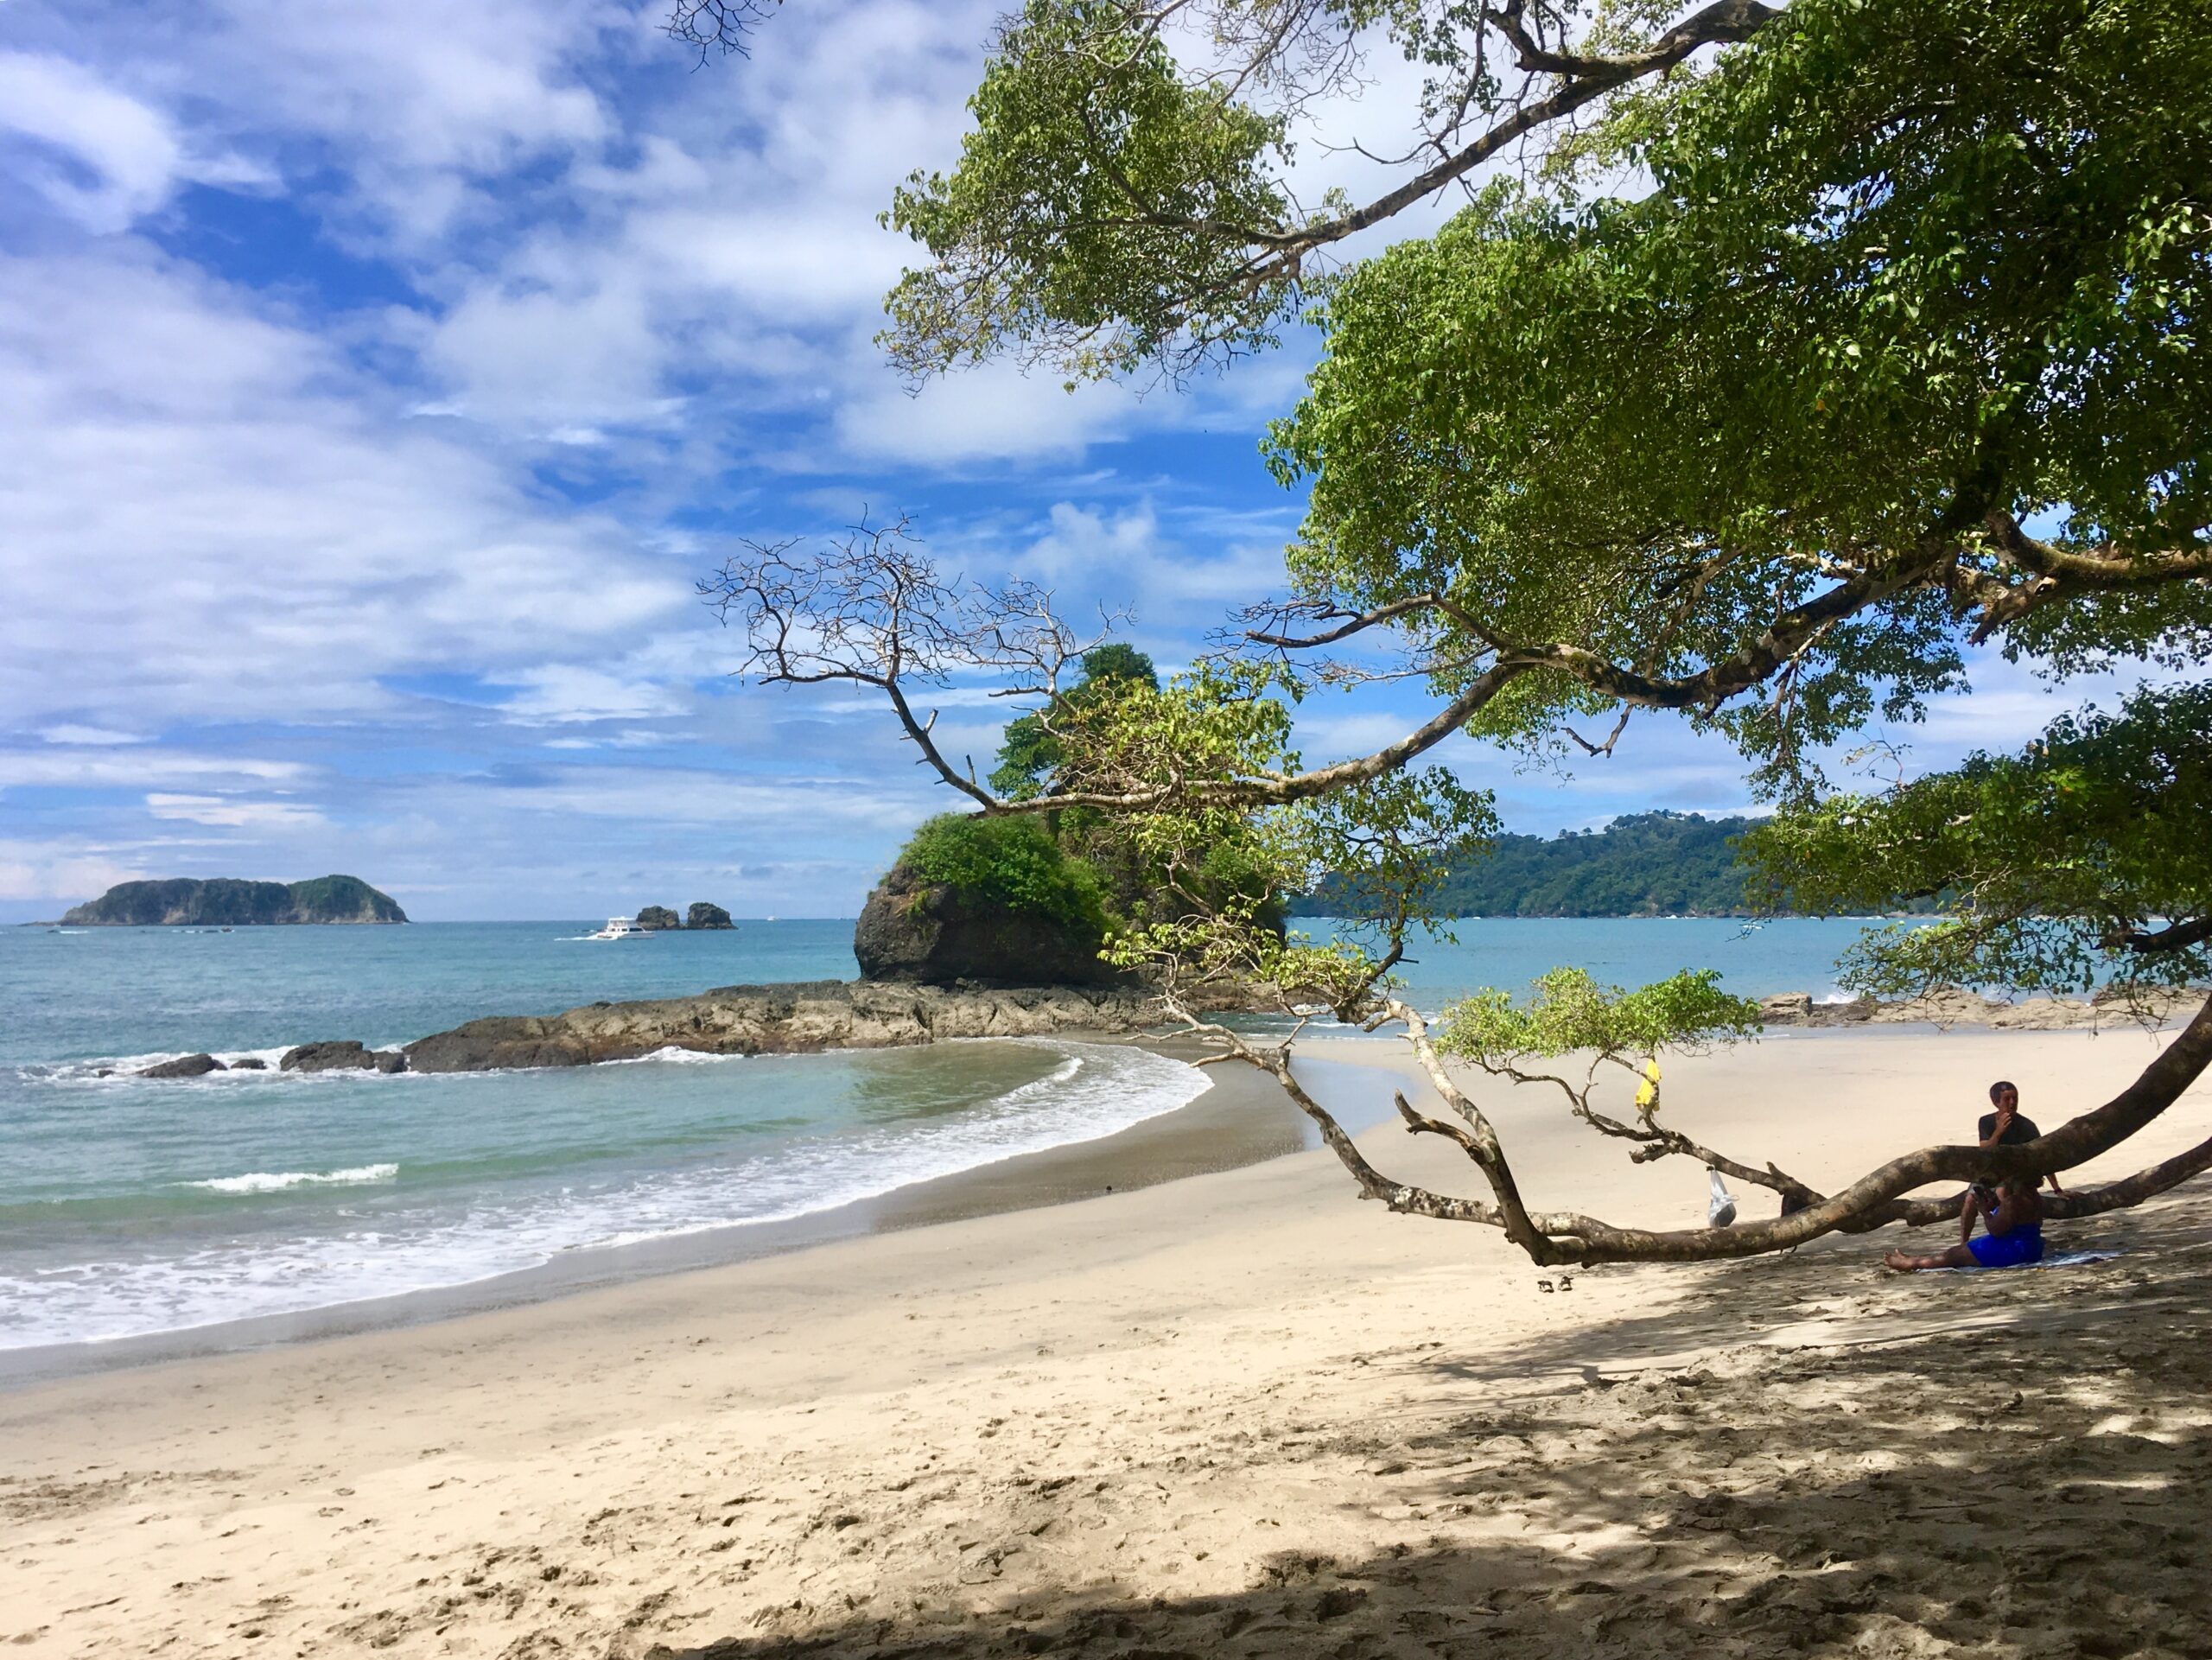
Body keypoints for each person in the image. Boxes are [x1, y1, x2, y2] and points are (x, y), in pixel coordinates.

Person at [1885, 1173, 2045, 1272]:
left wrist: (1983, 1211)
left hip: (2013, 1250)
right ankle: (1915, 1259)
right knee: (1959, 1251)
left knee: (1953, 1255)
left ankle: (1911, 1264)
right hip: (2031, 1246)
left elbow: (1996, 1230)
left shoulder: (2014, 1201)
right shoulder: (2033, 1196)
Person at [1978, 1080, 2066, 1195]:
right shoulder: (1986, 1122)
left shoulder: (2027, 1125)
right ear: (1996, 1102)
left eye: (2015, 1098)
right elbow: (1984, 1150)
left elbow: (2042, 1156)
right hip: (1992, 1174)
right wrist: (1998, 1132)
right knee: (1970, 1200)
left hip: (2018, 1176)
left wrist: (2057, 1189)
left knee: (2001, 1192)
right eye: (2007, 1099)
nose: (2012, 1103)